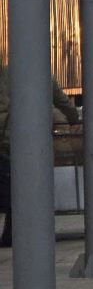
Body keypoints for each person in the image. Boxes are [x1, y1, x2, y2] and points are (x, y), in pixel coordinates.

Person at [0, 66, 82, 247]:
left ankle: (12, 234)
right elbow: (62, 102)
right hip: (31, 140)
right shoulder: (42, 73)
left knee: (13, 187)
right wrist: (74, 119)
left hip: (7, 140)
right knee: (25, 187)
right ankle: (22, 233)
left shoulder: (5, 75)